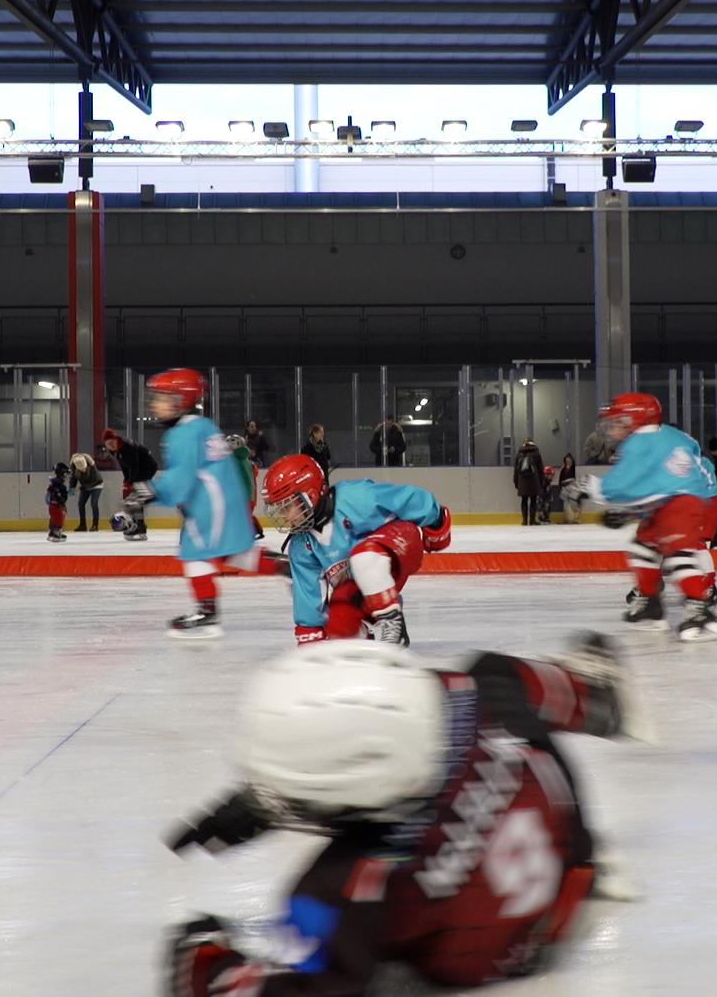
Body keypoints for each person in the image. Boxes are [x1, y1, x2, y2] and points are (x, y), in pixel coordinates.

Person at [164, 637, 643, 996]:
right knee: (495, 671)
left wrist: (206, 964)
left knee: (383, 971)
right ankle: (590, 695)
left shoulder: (347, 886)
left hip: (508, 952)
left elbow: (307, 988)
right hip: (571, 855)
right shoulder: (475, 692)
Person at [115, 368, 285, 639]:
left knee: (196, 552)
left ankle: (207, 612)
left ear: (180, 401)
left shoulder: (181, 434)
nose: (153, 403)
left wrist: (148, 491)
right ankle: (287, 566)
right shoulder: (204, 426)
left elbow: (180, 480)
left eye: (161, 397)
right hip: (224, 499)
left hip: (210, 504)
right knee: (229, 550)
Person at [572, 392, 717, 642]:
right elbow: (657, 485)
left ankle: (701, 609)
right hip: (682, 500)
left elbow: (624, 484)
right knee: (642, 545)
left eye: (619, 421)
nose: (613, 428)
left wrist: (591, 487)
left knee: (678, 554)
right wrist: (630, 511)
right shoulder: (670, 437)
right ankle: (651, 604)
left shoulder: (639, 442)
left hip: (680, 504)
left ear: (636, 420)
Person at [263, 454, 451, 646]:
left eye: (286, 508)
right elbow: (309, 603)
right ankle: (371, 644)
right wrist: (312, 649)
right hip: (363, 582)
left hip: (401, 545)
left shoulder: (356, 497)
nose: (283, 517)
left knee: (364, 557)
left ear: (309, 496)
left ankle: (392, 623)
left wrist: (437, 524)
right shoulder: (301, 546)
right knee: (338, 626)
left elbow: (408, 498)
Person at [99, 428, 159, 540]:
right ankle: (139, 525)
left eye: (112, 443)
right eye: (108, 444)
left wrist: (131, 482)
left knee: (136, 496)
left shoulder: (127, 446)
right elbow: (124, 466)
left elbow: (134, 465)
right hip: (138, 469)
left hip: (147, 467)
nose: (111, 446)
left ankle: (140, 524)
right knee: (135, 498)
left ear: (116, 439)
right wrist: (126, 480)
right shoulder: (115, 450)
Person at [512, 438, 545, 526]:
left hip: (522, 481)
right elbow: (540, 469)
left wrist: (516, 482)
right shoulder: (536, 452)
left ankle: (524, 521)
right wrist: (542, 481)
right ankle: (532, 520)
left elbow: (516, 469)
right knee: (533, 500)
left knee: (524, 500)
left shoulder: (520, 453)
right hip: (534, 480)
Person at [69, 452, 103, 532]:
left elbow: (97, 479)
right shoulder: (74, 466)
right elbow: (73, 478)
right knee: (81, 504)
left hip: (96, 485)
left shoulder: (91, 464)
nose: (83, 470)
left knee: (94, 503)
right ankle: (82, 525)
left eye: (84, 468)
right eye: (81, 470)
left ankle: (95, 525)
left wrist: (83, 487)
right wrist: (72, 487)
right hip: (85, 486)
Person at [45, 462, 70, 543]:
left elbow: (48, 496)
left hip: (54, 505)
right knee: (58, 519)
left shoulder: (55, 484)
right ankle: (55, 533)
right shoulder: (58, 485)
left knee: (55, 519)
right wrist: (60, 500)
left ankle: (53, 532)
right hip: (56, 506)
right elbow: (56, 495)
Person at [553, 453, 579, 523]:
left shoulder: (574, 468)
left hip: (573, 489)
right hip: (565, 488)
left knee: (573, 504)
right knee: (566, 505)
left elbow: (575, 478)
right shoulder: (563, 469)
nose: (568, 462)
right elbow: (560, 480)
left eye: (569, 460)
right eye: (567, 460)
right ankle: (568, 519)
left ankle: (574, 519)